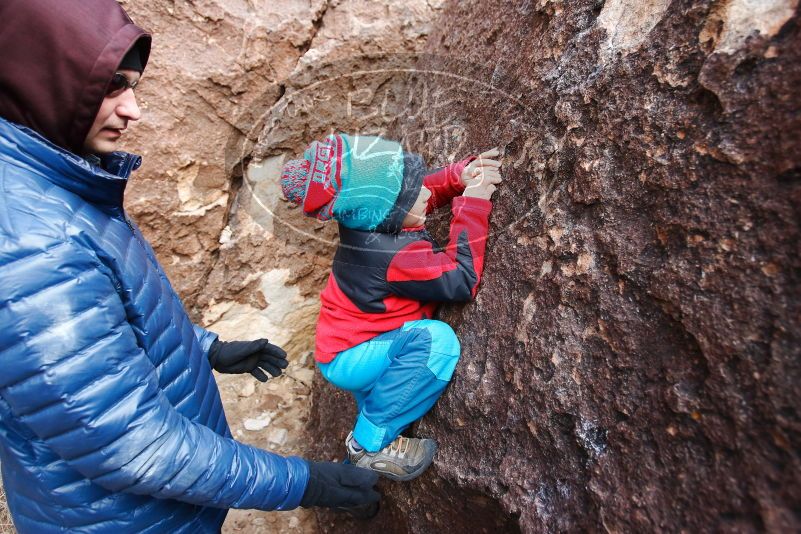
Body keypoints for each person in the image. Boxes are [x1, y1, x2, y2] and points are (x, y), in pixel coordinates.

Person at [0, 1, 379, 532]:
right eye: (110, 86)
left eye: (132, 85)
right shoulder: (29, 241)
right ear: (41, 79)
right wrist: (303, 482)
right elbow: (129, 443)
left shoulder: (54, 191)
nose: (133, 110)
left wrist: (205, 348)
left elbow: (103, 330)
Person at [280, 134, 502, 481]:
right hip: (352, 355)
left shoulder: (369, 217)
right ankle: (369, 446)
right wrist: (472, 203)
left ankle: (352, 483)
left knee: (384, 397)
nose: (427, 193)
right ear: (391, 212)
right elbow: (461, 279)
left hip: (348, 341)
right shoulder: (391, 255)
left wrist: (458, 176)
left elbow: (414, 192)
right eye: (416, 192)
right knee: (436, 343)